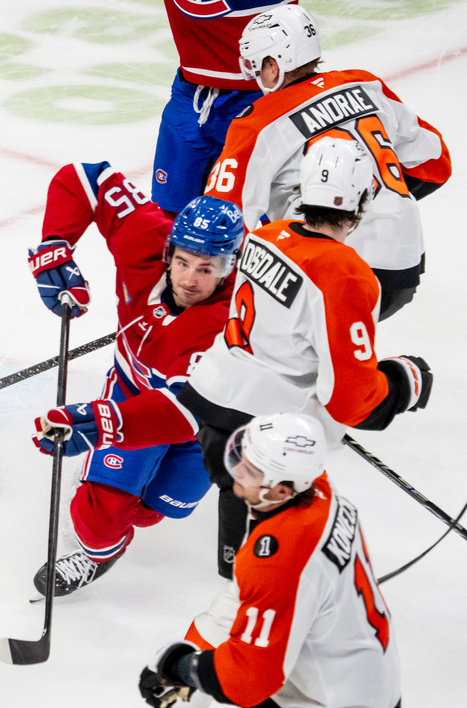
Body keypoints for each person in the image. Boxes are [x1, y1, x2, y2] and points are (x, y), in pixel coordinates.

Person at [178, 137, 433, 581]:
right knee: (265, 574)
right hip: (267, 432)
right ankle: (240, 630)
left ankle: (237, 603)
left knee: (240, 554)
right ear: (364, 198)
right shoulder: (348, 274)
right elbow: (350, 399)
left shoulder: (264, 234)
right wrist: (403, 383)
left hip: (213, 400)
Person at [27, 161, 244, 596]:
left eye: (207, 269)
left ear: (230, 266)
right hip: (132, 391)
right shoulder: (145, 235)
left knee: (160, 506)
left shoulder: (235, 317)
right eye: (182, 262)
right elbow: (84, 179)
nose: (189, 280)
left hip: (206, 419)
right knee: (100, 519)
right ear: (168, 250)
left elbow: (184, 411)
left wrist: (99, 424)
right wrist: (55, 249)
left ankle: (124, 495)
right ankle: (97, 553)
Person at [204, 4, 451, 320]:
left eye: (257, 65)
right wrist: (372, 205)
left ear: (273, 64)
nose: (254, 75)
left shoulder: (256, 124)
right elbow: (435, 162)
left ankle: (399, 372)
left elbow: (221, 219)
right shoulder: (365, 84)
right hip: (404, 266)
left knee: (268, 348)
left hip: (329, 271)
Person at [137, 412, 400, 708]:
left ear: (281, 488)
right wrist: (196, 649)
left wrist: (183, 668)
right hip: (360, 676)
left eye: (249, 469)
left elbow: (247, 680)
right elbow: (248, 595)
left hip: (332, 698)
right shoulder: (316, 491)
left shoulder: (279, 555)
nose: (235, 469)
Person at [152, 1, 297, 217]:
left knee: (277, 218)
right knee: (172, 216)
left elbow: (204, 7)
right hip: (192, 95)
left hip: (267, 98)